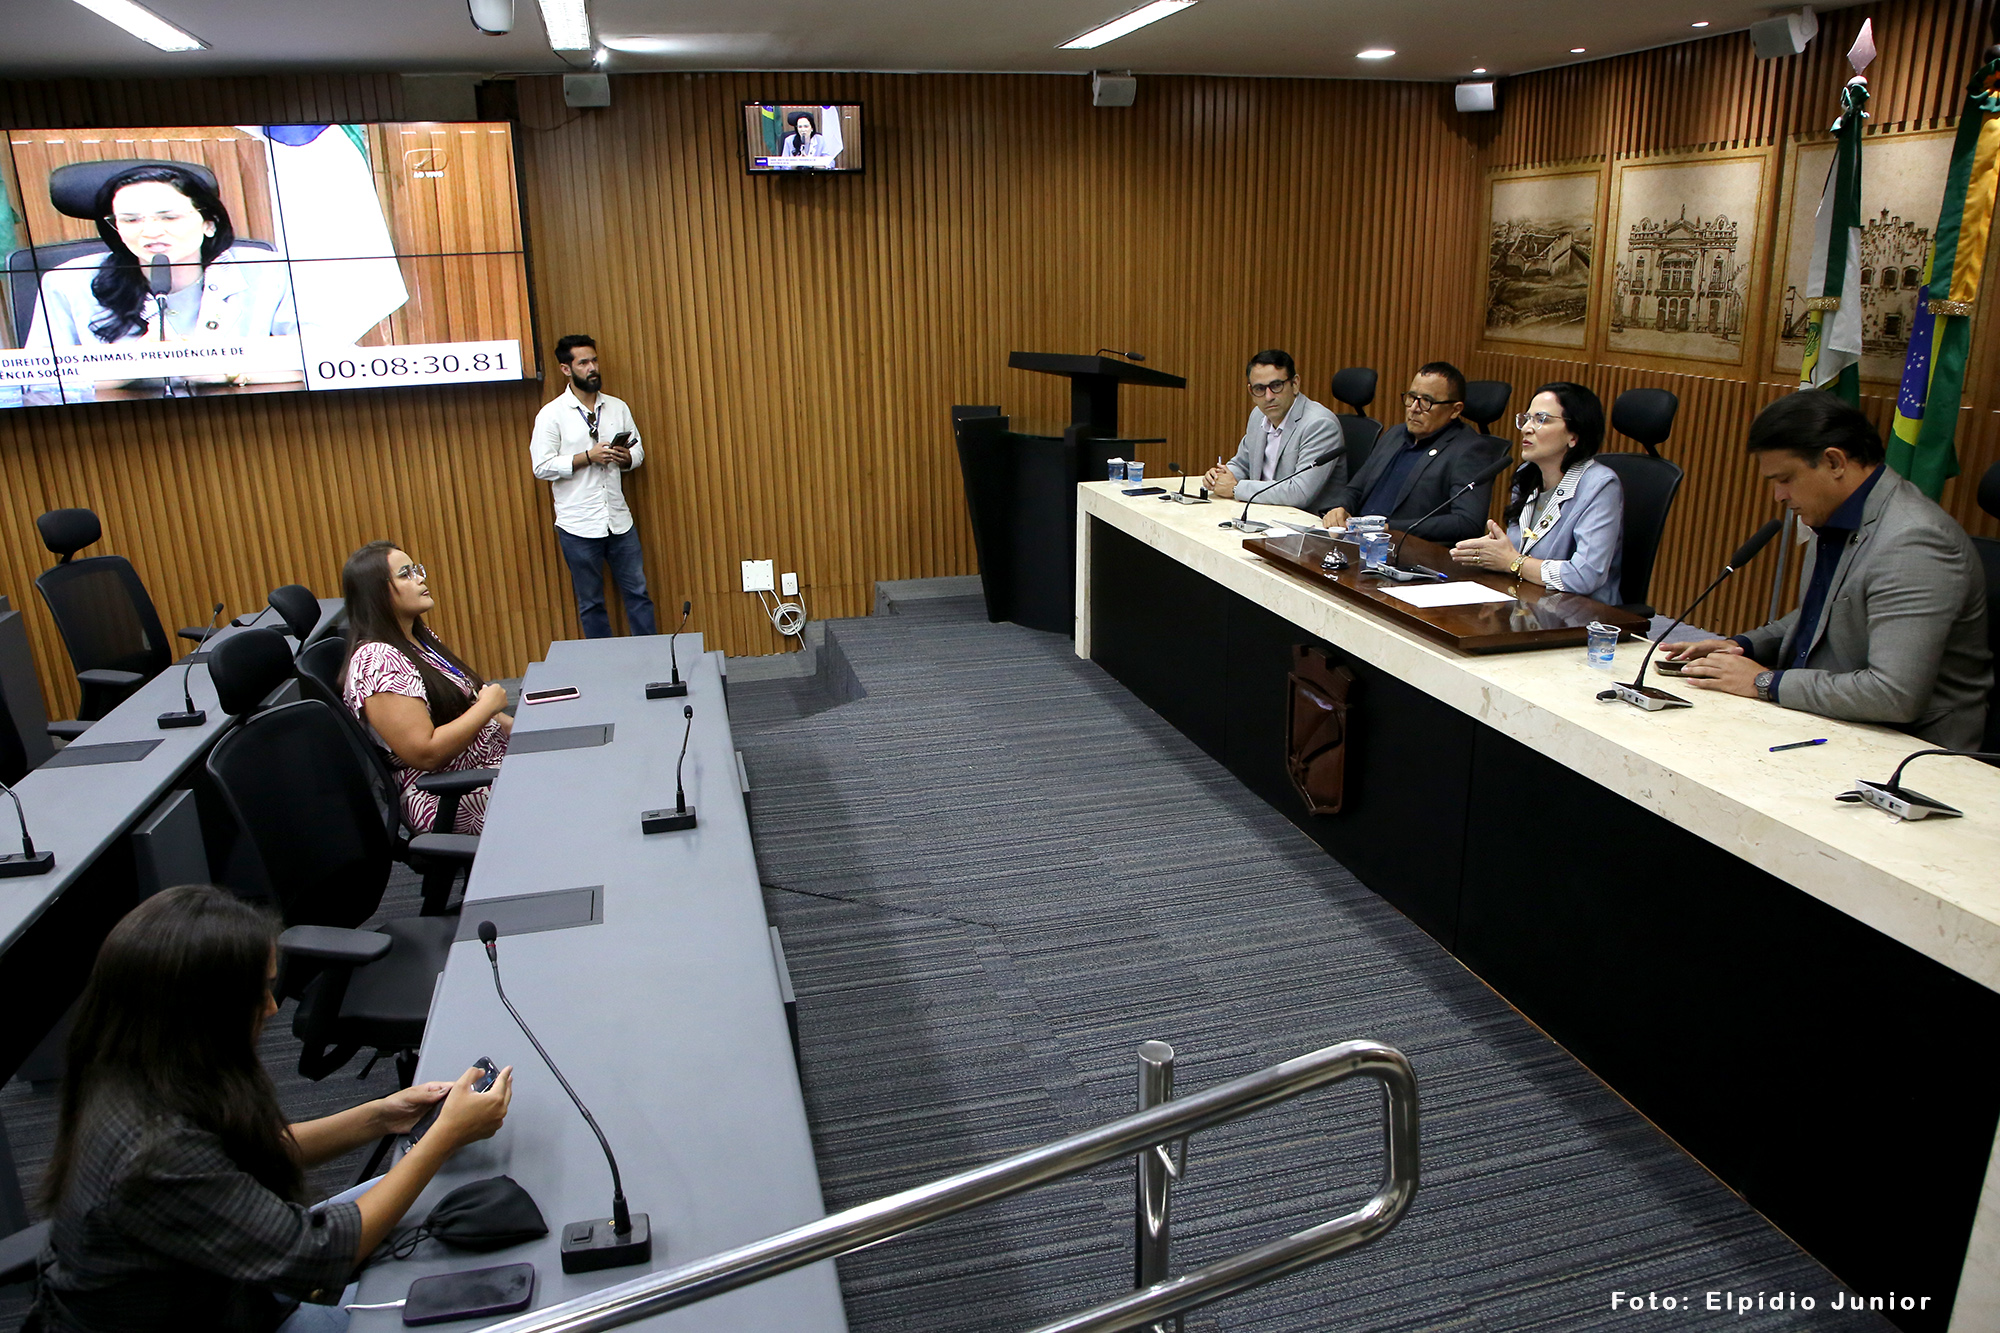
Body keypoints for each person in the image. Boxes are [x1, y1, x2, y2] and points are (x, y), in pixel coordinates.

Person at [31, 885, 512, 1332]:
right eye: (256, 993)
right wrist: (442, 1136)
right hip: (226, 1310)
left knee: (448, 1196)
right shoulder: (156, 1152)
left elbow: (244, 1152)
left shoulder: (133, 1066)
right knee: (465, 1304)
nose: (271, 1008)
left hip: (228, 1277)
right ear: (200, 1010)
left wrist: (383, 1115)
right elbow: (320, 1257)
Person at [1666, 390, 1991, 748]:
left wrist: (1764, 682)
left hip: (1908, 750)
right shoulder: (1836, 513)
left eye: (1785, 479)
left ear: (1834, 462)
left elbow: (1894, 694)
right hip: (1830, 721)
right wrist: (1740, 647)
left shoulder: (1913, 542)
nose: (1778, 496)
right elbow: (1826, 615)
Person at [25, 163, 299, 395]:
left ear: (209, 223)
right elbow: (37, 381)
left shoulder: (270, 271)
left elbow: (319, 358)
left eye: (169, 217)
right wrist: (130, 364)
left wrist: (223, 370)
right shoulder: (67, 281)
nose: (150, 231)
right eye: (131, 220)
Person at [339, 541, 511, 834]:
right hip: (447, 793)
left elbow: (466, 702)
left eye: (416, 570)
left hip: (486, 764)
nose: (420, 578)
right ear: (377, 592)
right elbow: (426, 752)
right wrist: (487, 706)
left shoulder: (417, 639)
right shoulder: (378, 661)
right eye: (405, 574)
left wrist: (527, 732)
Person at [1448, 382, 1625, 605]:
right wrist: (1492, 551)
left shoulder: (1600, 485)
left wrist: (1512, 561)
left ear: (1574, 435)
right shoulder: (1528, 475)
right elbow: (1517, 553)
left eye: (1541, 419)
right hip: (1530, 602)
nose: (1526, 428)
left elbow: (1585, 575)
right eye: (1526, 418)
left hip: (1584, 613)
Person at [530, 335, 657, 639]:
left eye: (594, 361)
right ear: (566, 369)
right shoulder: (551, 414)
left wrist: (626, 458)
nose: (592, 368)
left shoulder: (617, 407)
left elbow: (638, 452)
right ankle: (605, 663)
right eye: (583, 363)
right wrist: (587, 457)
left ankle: (652, 657)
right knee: (591, 603)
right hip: (578, 525)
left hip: (619, 520)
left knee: (638, 594)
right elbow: (541, 467)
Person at [1319, 361, 1510, 544]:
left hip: (1407, 551)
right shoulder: (1395, 434)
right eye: (1411, 397)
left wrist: (1388, 528)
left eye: (1427, 401)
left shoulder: (1470, 450)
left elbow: (1467, 522)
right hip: (1356, 540)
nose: (1414, 408)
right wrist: (1340, 508)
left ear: (1455, 410)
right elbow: (1356, 489)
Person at [1201, 349, 1346, 510]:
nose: (1268, 397)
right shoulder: (1258, 415)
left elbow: (1299, 492)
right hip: (1263, 510)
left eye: (1276, 386)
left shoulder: (1320, 424)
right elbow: (1242, 464)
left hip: (1305, 519)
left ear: (1295, 384)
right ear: (1251, 392)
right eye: (1259, 389)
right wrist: (1220, 477)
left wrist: (1236, 489)